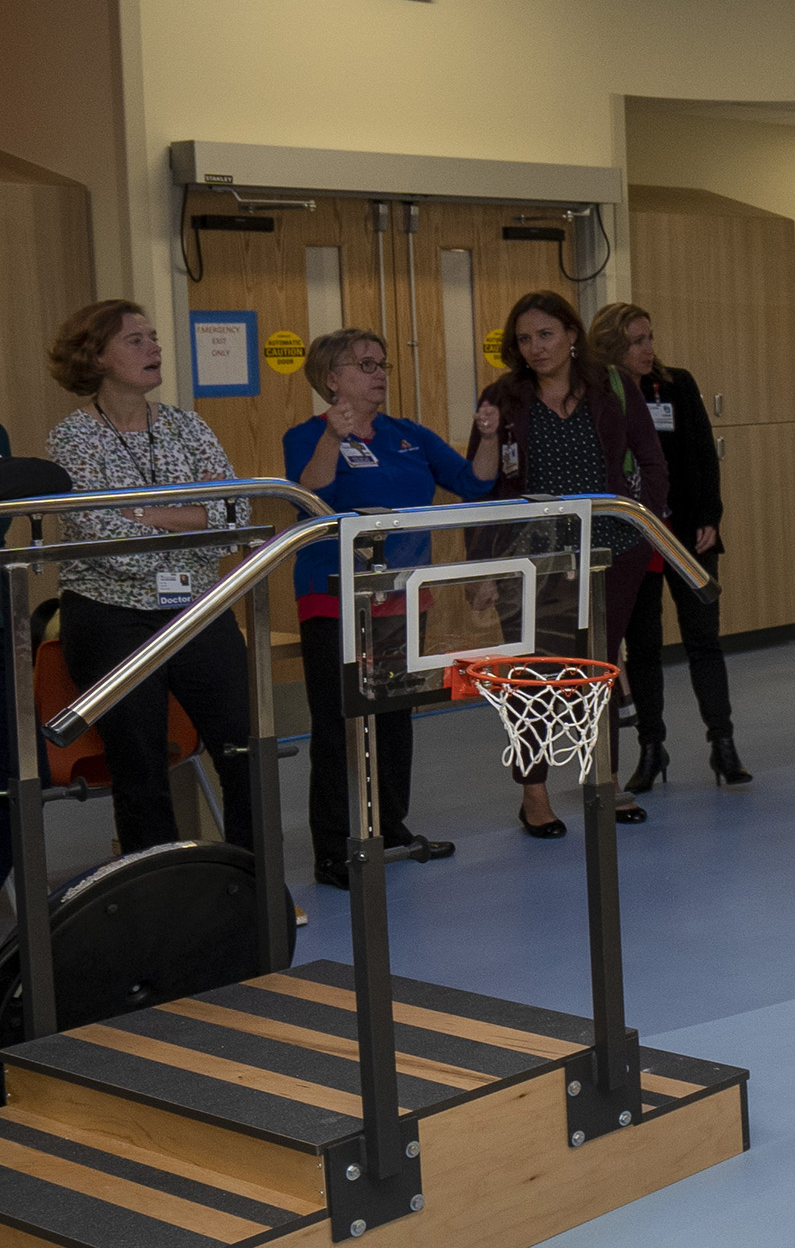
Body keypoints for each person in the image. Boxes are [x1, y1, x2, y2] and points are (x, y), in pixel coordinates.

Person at [40, 300, 262, 855]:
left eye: (154, 337)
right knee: (139, 761)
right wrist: (191, 518)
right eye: (136, 340)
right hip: (110, 615)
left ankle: (251, 883)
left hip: (196, 609)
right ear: (97, 356)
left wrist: (145, 515)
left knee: (243, 748)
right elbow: (105, 540)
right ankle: (160, 901)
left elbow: (235, 512)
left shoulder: (187, 425)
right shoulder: (72, 438)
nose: (155, 348)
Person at [285, 327, 485, 886]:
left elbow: (472, 482)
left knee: (395, 718)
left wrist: (488, 434)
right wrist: (333, 436)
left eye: (383, 364)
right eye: (365, 364)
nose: (379, 373)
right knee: (338, 722)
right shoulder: (305, 435)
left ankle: (391, 827)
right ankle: (332, 848)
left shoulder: (408, 435)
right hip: (334, 599)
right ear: (332, 379)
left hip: (401, 595)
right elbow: (311, 499)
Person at [473, 290, 672, 839]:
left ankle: (602, 779)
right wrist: (483, 567)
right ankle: (533, 793)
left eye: (544, 334)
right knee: (532, 675)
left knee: (599, 669)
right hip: (529, 559)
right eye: (523, 339)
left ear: (571, 334)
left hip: (611, 550)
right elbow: (483, 487)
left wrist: (645, 524)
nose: (534, 348)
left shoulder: (612, 386)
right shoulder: (504, 397)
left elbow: (651, 461)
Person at [591, 303, 751, 792]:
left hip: (686, 533)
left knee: (704, 639)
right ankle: (651, 747)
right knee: (643, 648)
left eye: (650, 338)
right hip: (633, 536)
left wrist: (710, 516)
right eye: (637, 341)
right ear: (614, 346)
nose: (648, 349)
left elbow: (702, 453)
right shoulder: (600, 395)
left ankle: (723, 744)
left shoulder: (675, 384)